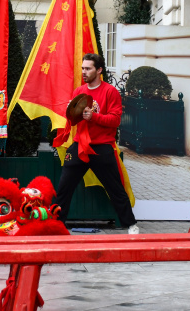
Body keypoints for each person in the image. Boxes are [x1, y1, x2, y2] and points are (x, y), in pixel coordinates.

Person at [54, 53, 139, 234]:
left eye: (88, 68)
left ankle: (131, 224)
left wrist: (94, 116)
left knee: (115, 188)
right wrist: (72, 112)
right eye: (83, 68)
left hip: (102, 147)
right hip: (79, 145)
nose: (84, 72)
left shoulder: (110, 92)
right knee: (63, 188)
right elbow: (74, 121)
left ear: (99, 70)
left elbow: (115, 121)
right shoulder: (79, 91)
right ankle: (56, 225)